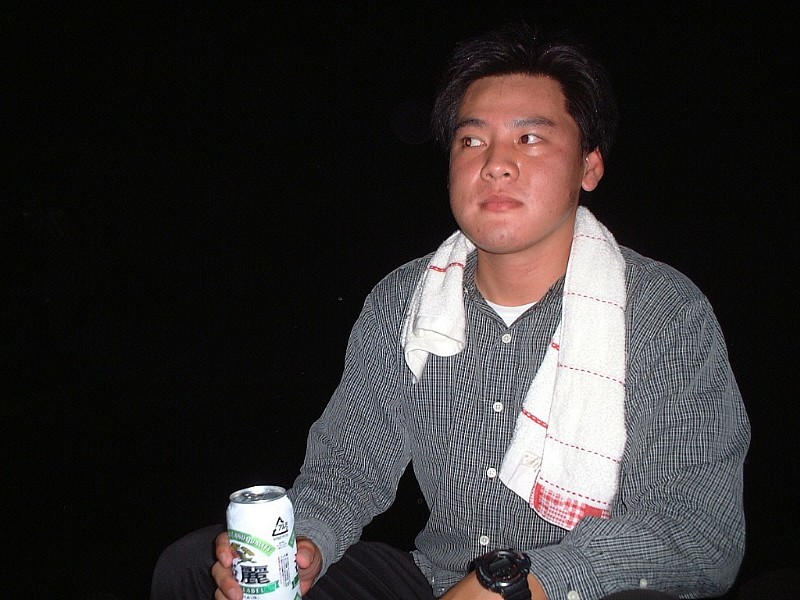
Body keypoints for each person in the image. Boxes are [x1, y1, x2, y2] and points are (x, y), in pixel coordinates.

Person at [152, 22, 750, 600]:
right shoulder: (404, 300)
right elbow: (346, 471)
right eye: (472, 140)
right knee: (195, 567)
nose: (495, 163)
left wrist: (519, 584)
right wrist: (304, 543)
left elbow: (697, 534)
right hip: (434, 583)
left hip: (584, 591)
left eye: (530, 138)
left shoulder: (664, 313)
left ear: (588, 166)